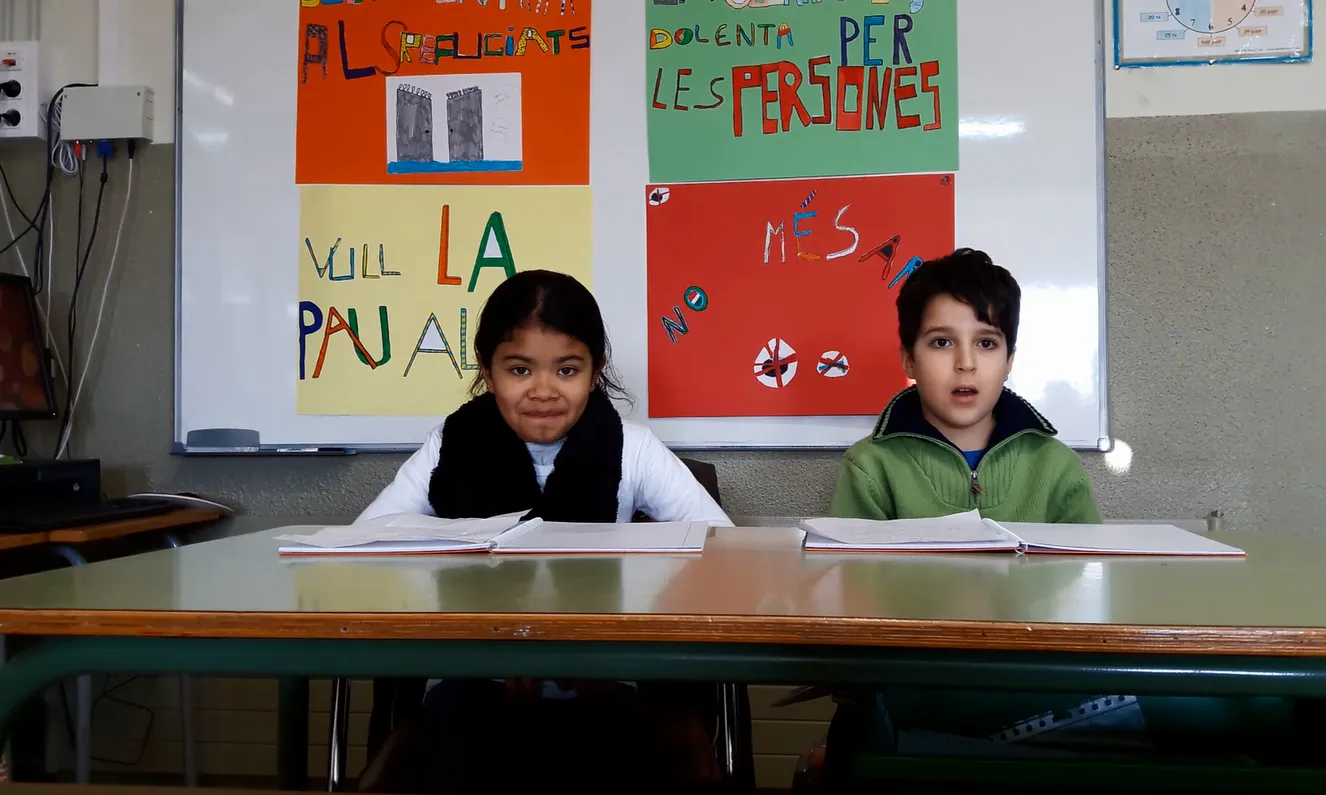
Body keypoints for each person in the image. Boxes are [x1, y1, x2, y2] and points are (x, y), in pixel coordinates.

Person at [823, 249, 1292, 787]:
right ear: (908, 358)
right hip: (925, 681)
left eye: (987, 342)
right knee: (1240, 713)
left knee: (1265, 699)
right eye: (940, 342)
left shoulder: (1053, 463)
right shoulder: (872, 465)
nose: (966, 364)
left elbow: (1090, 599)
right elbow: (852, 614)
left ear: (1010, 357)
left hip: (1042, 671)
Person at [359, 269, 732, 794]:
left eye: (566, 369)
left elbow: (729, 551)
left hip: (603, 685)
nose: (543, 390)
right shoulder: (451, 444)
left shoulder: (632, 447)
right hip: (470, 682)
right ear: (487, 371)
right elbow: (360, 547)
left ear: (595, 371)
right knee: (445, 755)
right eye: (519, 369)